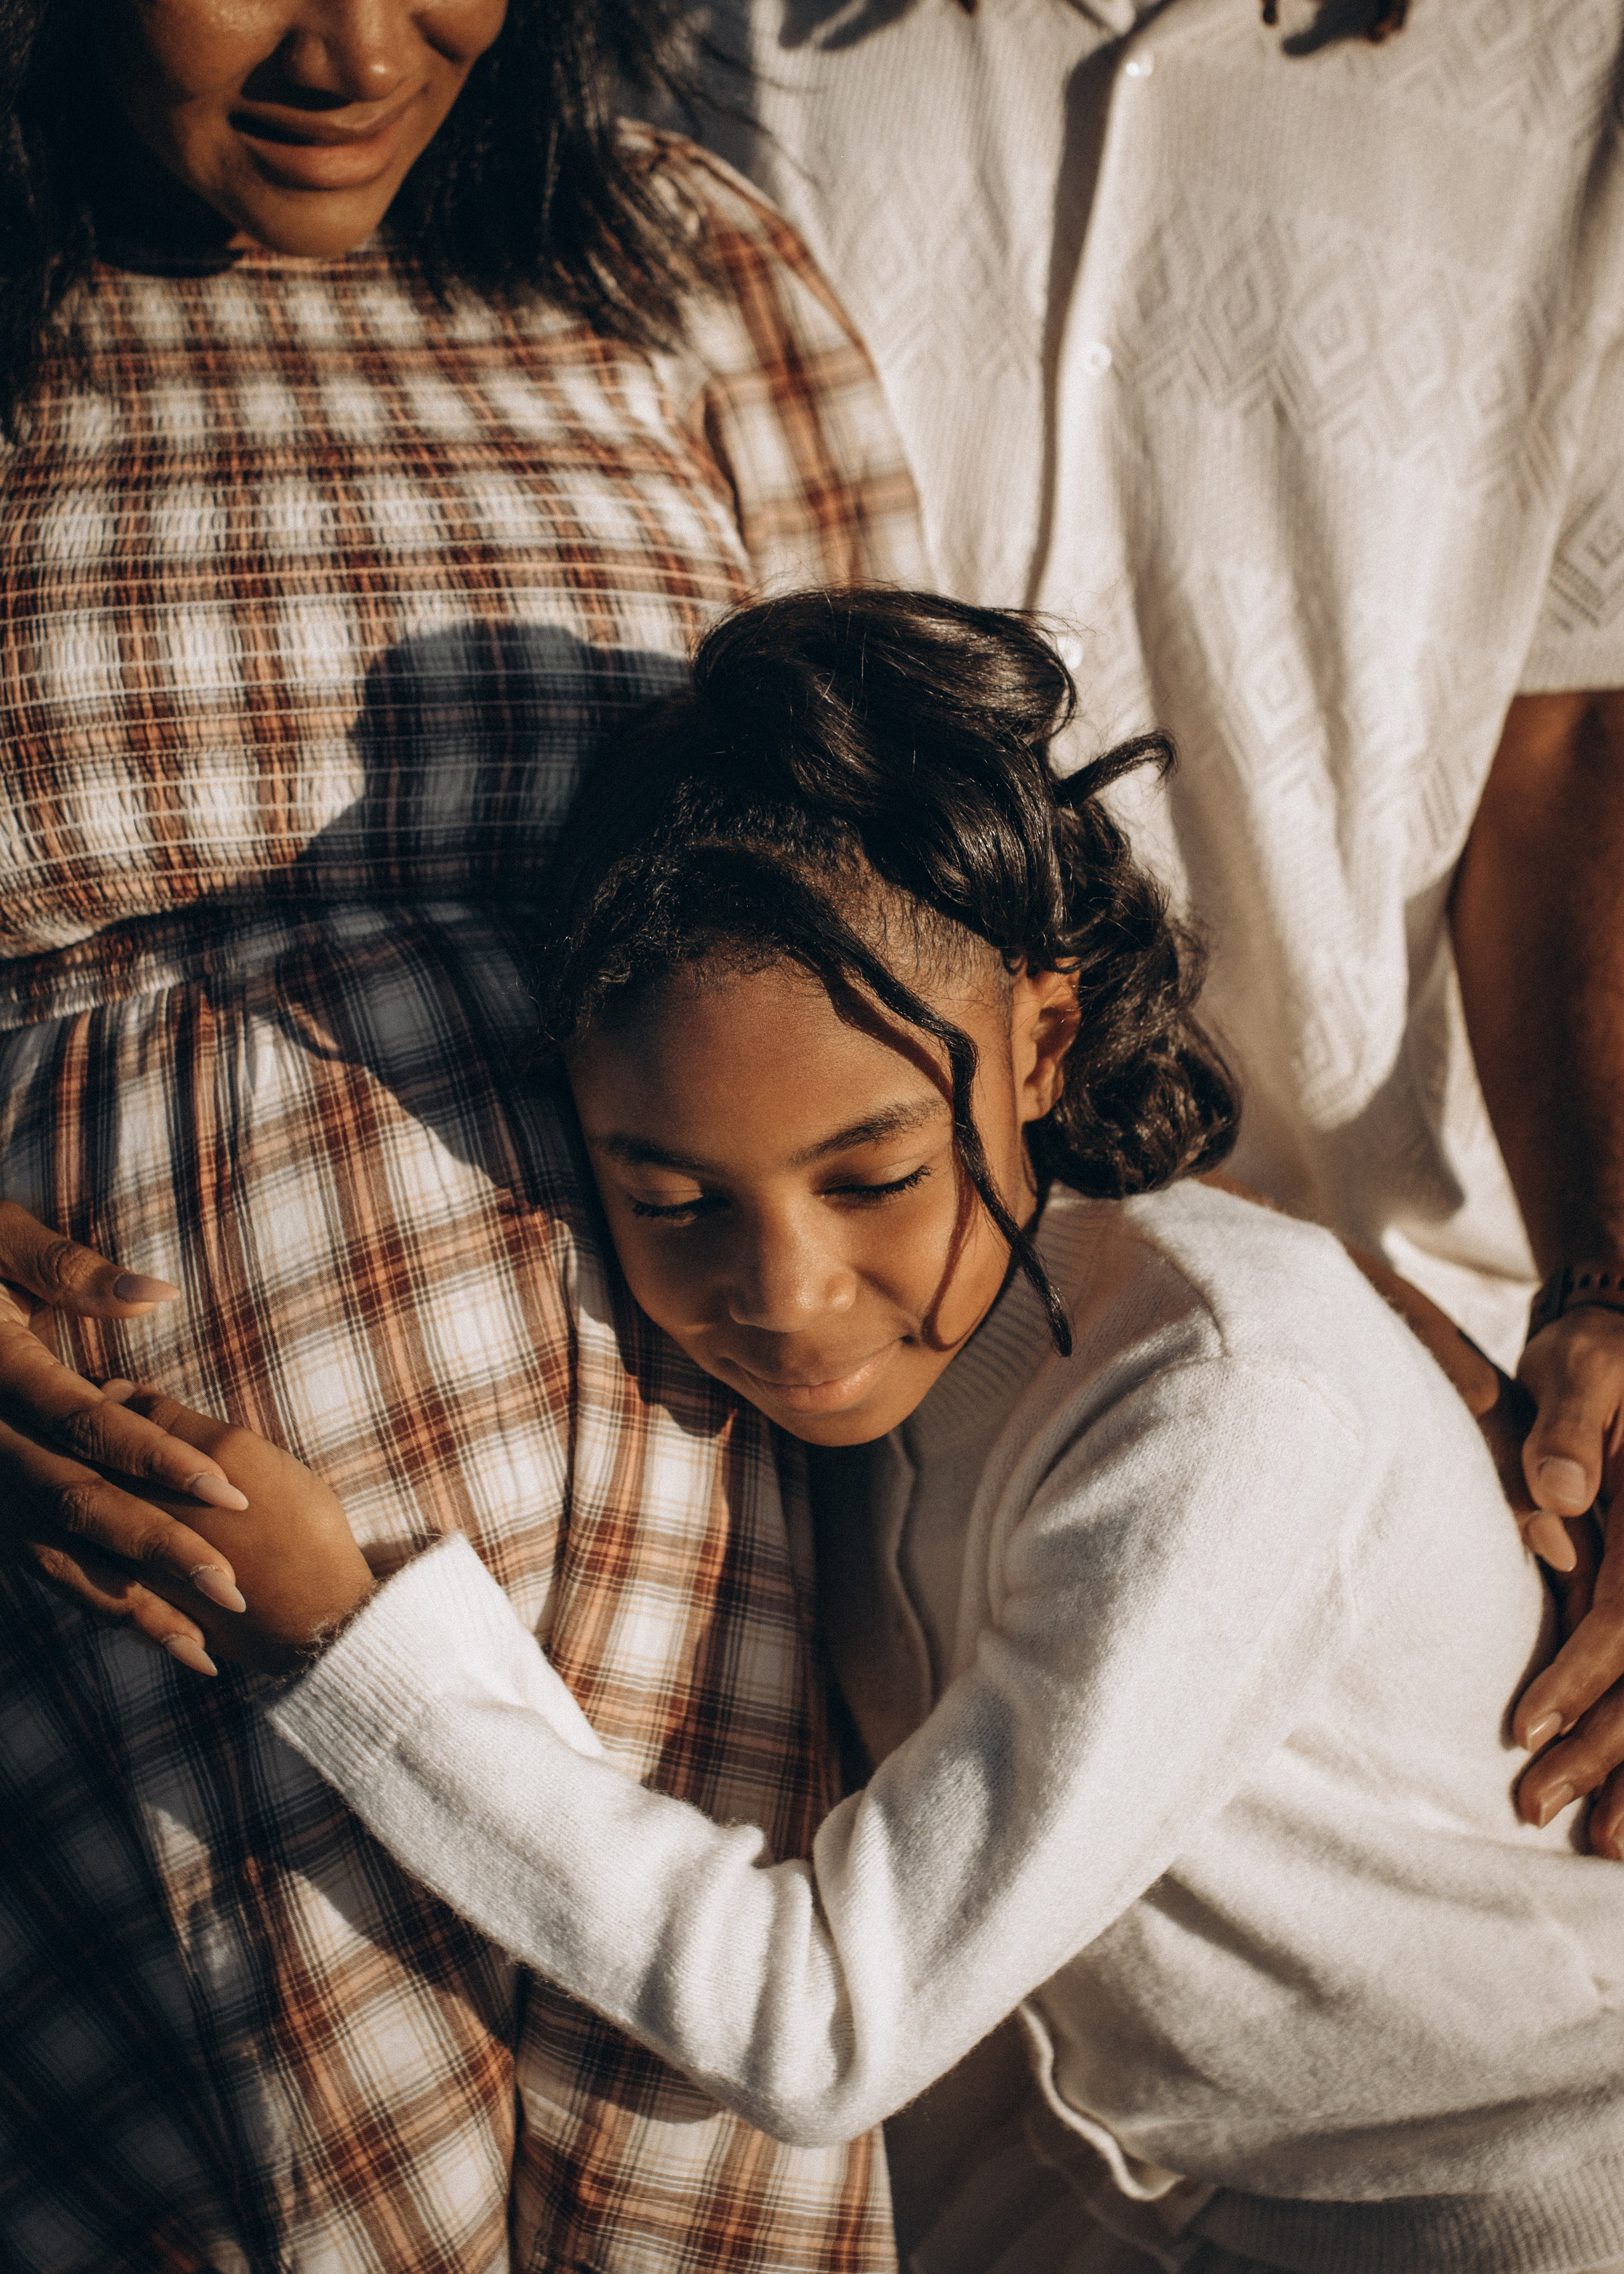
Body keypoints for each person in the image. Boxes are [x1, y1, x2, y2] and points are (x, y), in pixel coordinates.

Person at [112, 589, 1624, 2274]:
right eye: (670, 1195)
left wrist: (342, 1637)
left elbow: (828, 2019)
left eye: (874, 1176)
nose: (787, 1294)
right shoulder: (860, 1410)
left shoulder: (1223, 1405)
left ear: (1040, 1040)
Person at [0, 1, 922, 2266]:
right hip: (149, 1587)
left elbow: (923, 862)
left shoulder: (665, 251)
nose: (355, 44)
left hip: (716, 1565)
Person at [691, 0, 1624, 1844]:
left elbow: (1573, 714)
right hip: (760, 1337)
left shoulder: (1580, 56)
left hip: (1409, 1421)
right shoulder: (672, 32)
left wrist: (1612, 1279)